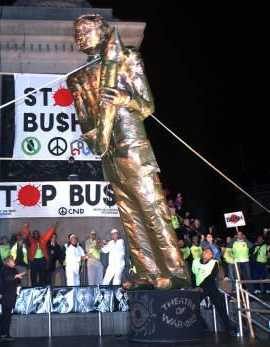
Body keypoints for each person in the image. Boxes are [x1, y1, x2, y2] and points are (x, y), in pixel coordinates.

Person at [67, 14, 190, 289]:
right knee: (130, 216)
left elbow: (147, 105)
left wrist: (124, 99)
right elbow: (86, 120)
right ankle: (146, 272)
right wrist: (97, 141)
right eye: (77, 33)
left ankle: (174, 271)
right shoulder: (76, 79)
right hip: (108, 154)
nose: (80, 37)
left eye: (86, 30)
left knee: (152, 208)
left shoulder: (126, 57)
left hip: (133, 148)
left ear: (103, 31)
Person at [192, 248, 234, 337]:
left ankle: (230, 329)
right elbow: (193, 274)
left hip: (210, 287)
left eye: (209, 253)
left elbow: (211, 277)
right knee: (192, 306)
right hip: (198, 287)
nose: (206, 254)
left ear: (211, 256)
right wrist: (195, 287)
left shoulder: (215, 263)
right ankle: (203, 326)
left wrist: (201, 287)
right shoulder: (195, 261)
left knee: (221, 307)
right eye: (205, 252)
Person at [0, 256, 26, 341]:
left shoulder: (14, 270)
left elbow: (17, 280)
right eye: (12, 261)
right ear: (8, 262)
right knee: (5, 315)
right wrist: (16, 276)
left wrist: (19, 283)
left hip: (11, 295)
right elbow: (7, 278)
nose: (14, 262)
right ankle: (4, 334)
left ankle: (4, 333)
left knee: (8, 315)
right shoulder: (4, 269)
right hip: (6, 295)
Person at [22, 223, 57, 287]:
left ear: (39, 234)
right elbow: (27, 233)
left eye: (37, 233)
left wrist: (53, 227)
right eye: (34, 233)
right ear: (33, 234)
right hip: (33, 261)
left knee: (42, 276)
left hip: (42, 260)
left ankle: (42, 289)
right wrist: (26, 227)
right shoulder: (31, 240)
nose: (36, 234)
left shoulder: (42, 239)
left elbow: (48, 233)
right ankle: (34, 289)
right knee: (33, 277)